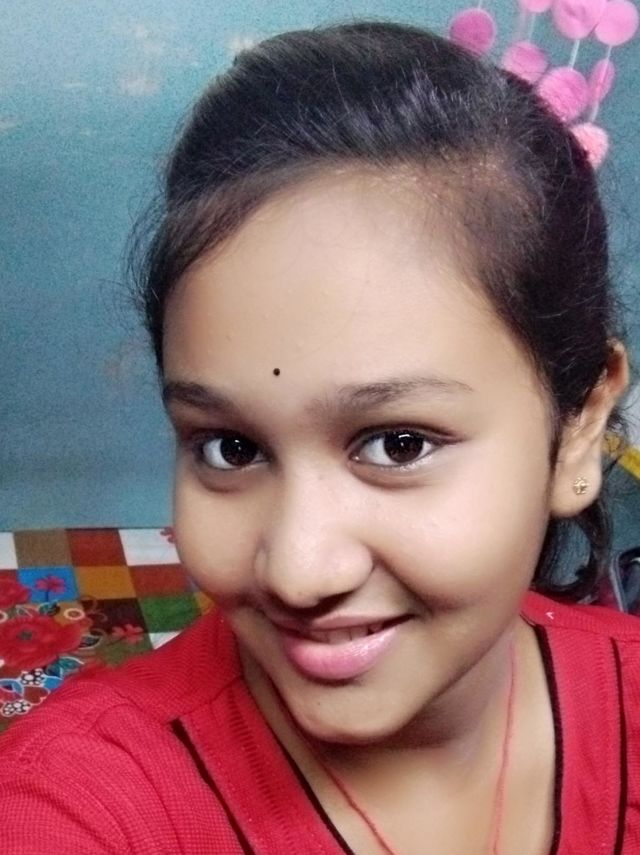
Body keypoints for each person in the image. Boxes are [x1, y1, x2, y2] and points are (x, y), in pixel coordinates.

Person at [0, 19, 637, 855]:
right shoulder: (83, 807)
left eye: (399, 444)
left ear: (578, 427)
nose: (298, 572)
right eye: (230, 447)